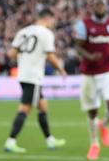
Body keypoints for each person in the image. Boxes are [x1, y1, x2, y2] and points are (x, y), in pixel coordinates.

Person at [4, 8, 67, 153]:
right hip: (33, 76)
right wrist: (61, 70)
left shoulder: (23, 31)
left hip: (23, 74)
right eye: (53, 20)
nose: (53, 23)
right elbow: (50, 56)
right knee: (25, 109)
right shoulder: (46, 34)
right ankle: (10, 141)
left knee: (43, 106)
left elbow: (11, 53)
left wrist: (25, 58)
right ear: (47, 18)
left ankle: (50, 140)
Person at [73, 0, 109, 161]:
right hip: (89, 73)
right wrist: (89, 56)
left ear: (106, 7)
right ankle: (94, 144)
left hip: (108, 71)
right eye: (97, 5)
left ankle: (104, 125)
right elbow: (78, 45)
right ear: (93, 8)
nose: (100, 7)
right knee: (92, 111)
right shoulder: (84, 25)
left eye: (102, 5)